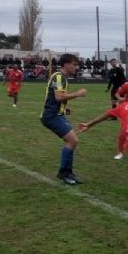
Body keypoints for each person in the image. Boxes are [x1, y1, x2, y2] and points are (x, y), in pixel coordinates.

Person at [40, 54, 87, 185]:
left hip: (56, 114)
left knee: (72, 141)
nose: (76, 67)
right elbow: (59, 97)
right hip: (51, 116)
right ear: (66, 64)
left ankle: (67, 172)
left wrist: (64, 109)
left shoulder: (61, 77)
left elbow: (55, 98)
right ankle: (64, 172)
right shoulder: (59, 76)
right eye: (74, 64)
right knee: (73, 140)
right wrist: (78, 94)